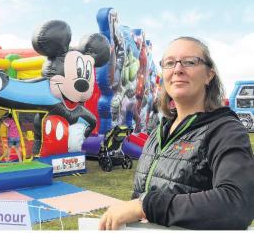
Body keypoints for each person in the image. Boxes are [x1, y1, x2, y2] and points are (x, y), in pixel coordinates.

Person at [99, 36, 254, 230]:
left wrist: (144, 207)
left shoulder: (225, 131)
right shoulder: (157, 134)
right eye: (170, 63)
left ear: (209, 75)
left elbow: (237, 203)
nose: (178, 69)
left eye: (189, 62)